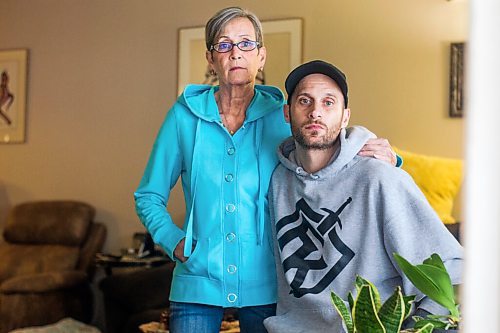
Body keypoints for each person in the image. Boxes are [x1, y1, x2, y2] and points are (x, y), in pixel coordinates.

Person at [134, 7, 398, 333]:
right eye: (224, 45)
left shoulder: (283, 115)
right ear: (210, 58)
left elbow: (328, 145)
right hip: (196, 281)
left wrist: (387, 157)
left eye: (246, 44)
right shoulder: (183, 117)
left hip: (270, 281)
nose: (235, 54)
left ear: (261, 56)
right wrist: (174, 241)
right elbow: (148, 195)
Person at [262, 60, 464, 333]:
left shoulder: (380, 179)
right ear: (287, 113)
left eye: (329, 102)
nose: (315, 112)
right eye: (304, 101)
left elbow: (450, 272)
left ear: (345, 116)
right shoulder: (276, 181)